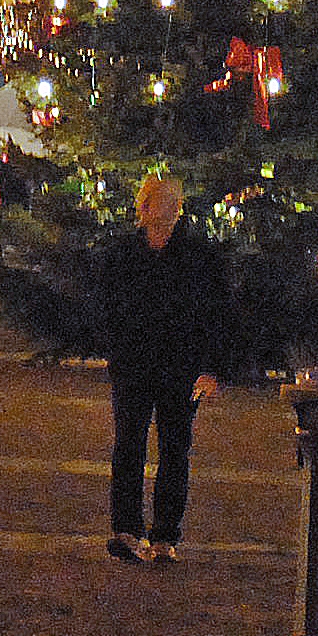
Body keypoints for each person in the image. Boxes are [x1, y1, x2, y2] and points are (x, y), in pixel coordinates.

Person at [97, 174, 230, 564]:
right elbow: (107, 308)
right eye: (164, 200)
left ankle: (165, 535)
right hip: (134, 366)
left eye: (176, 201)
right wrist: (115, 352)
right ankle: (126, 530)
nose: (172, 208)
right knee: (128, 447)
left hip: (180, 368)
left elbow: (217, 316)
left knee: (175, 451)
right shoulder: (123, 254)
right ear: (146, 206)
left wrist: (212, 369)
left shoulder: (199, 257)